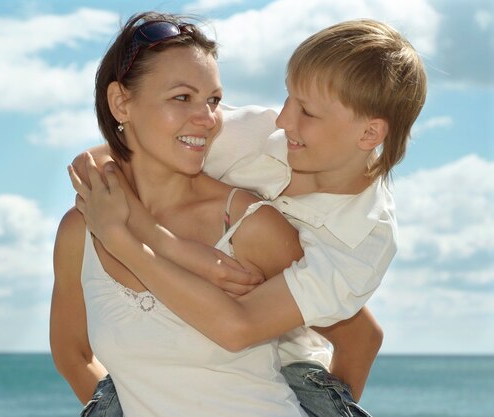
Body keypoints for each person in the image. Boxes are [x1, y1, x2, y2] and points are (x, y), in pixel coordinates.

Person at [72, 18, 427, 417]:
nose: (282, 119)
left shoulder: (363, 239)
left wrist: (122, 239)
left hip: (293, 368)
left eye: (306, 111)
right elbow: (107, 157)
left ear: (368, 135)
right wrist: (176, 247)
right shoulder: (256, 135)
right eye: (289, 98)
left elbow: (240, 328)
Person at [51, 11, 311, 417]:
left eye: (213, 100)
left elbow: (358, 336)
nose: (207, 119)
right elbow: (73, 353)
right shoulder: (79, 231)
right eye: (182, 97)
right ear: (121, 102)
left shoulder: (247, 224)